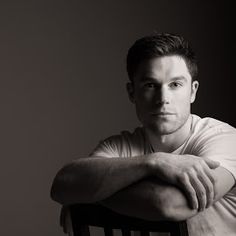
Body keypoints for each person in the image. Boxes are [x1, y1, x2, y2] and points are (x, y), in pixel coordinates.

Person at [50, 33, 236, 235]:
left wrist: (89, 194)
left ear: (193, 91)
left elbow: (168, 203)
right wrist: (155, 162)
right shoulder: (121, 146)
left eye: (175, 85)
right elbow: (63, 184)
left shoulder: (224, 140)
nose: (163, 98)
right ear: (132, 93)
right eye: (150, 85)